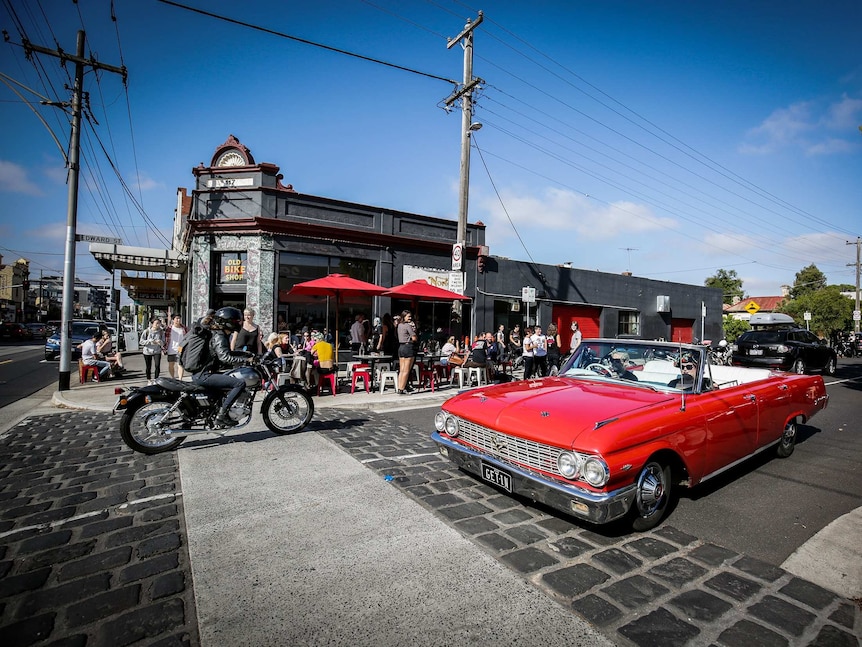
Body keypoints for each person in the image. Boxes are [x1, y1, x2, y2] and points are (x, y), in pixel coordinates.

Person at [192, 307, 254, 428]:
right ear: (229, 322)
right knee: (239, 383)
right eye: (237, 321)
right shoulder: (219, 335)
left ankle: (218, 411)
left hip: (204, 372)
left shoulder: (219, 334)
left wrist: (246, 354)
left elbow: (227, 353)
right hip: (204, 374)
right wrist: (247, 360)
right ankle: (222, 416)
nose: (239, 323)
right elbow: (225, 358)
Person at [396, 310, 418, 395]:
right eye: (408, 316)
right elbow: (414, 338)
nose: (410, 318)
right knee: (406, 370)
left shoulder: (399, 325)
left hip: (401, 347)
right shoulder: (408, 326)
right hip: (408, 346)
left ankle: (399, 387)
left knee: (401, 369)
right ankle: (402, 388)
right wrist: (414, 331)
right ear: (404, 316)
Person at [139, 318, 165, 383]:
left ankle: (156, 379)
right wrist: (149, 341)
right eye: (156, 323)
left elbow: (164, 342)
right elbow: (141, 341)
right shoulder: (146, 331)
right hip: (147, 351)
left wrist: (160, 342)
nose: (158, 325)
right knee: (148, 366)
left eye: (159, 323)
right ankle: (149, 379)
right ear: (152, 324)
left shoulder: (161, 331)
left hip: (157, 350)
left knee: (157, 365)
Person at [165, 314, 188, 379]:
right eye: (177, 318)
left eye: (179, 318)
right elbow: (165, 338)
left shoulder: (184, 328)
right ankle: (173, 378)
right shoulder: (169, 328)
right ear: (173, 320)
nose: (179, 320)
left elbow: (187, 338)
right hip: (171, 348)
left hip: (181, 348)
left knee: (180, 365)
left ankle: (180, 379)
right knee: (171, 365)